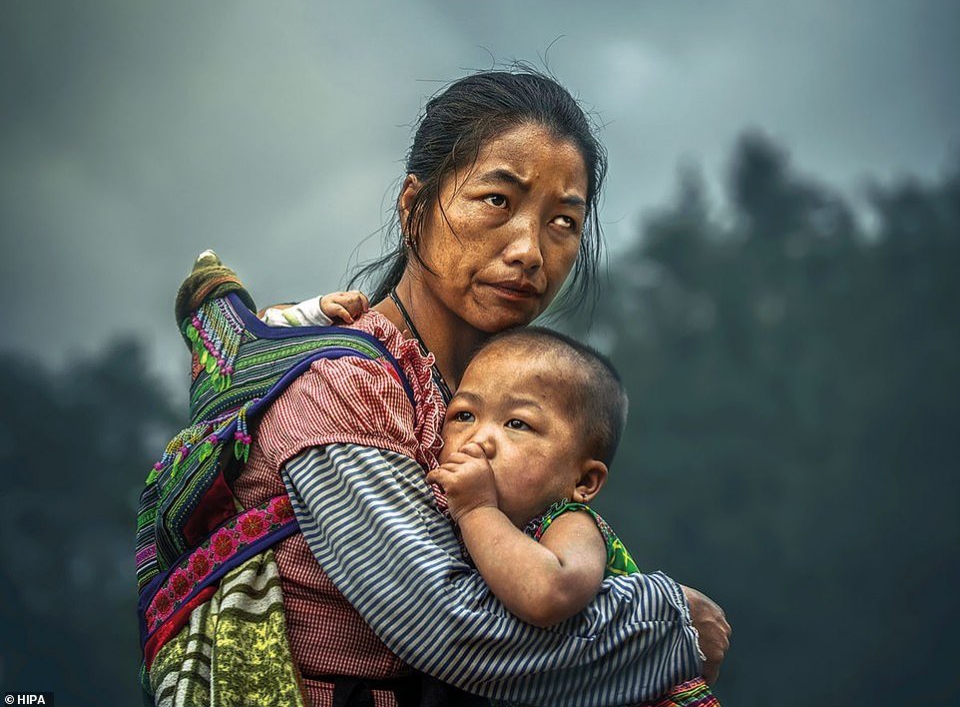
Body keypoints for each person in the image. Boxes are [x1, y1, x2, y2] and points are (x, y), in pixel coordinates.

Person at [151, 69, 731, 707]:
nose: (529, 250)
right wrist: (666, 623)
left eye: (563, 221)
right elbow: (454, 627)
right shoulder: (340, 388)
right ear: (413, 206)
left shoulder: (482, 406)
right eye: (497, 200)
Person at [267, 297, 724, 707]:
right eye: (463, 415)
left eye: (518, 424)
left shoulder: (569, 523)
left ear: (583, 481)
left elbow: (550, 592)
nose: (480, 438)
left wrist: (476, 510)